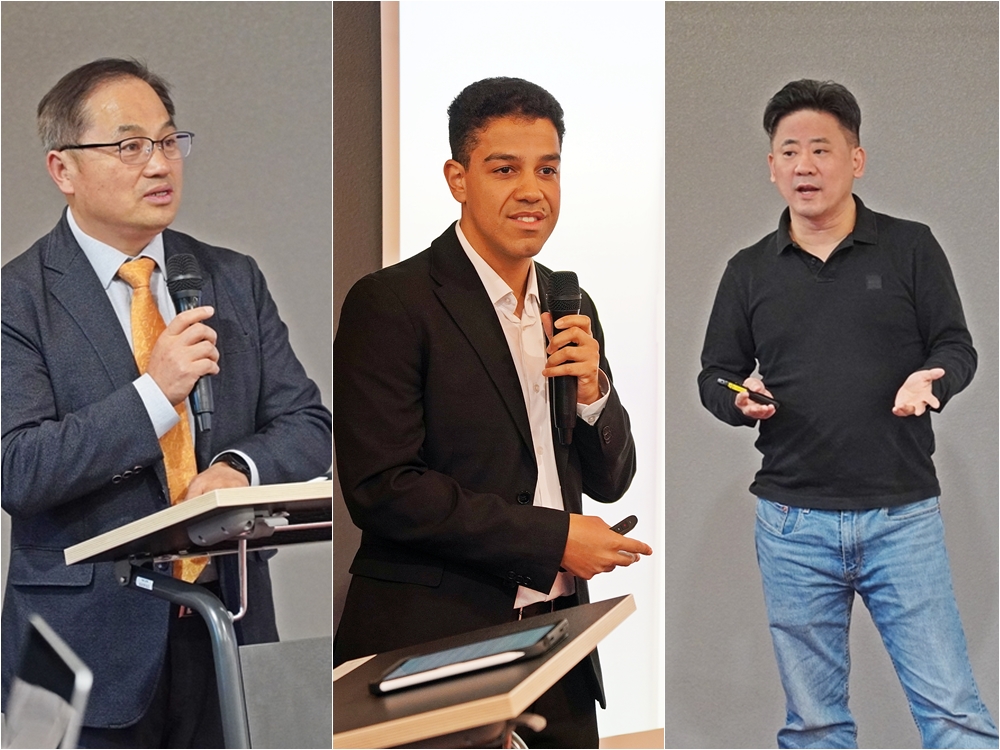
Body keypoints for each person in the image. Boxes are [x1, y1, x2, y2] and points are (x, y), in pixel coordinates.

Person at [0, 58, 331, 747]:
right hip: (81, 648)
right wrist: (153, 394)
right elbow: (18, 468)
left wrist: (238, 468)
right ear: (63, 169)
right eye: (129, 146)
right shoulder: (18, 298)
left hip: (225, 625)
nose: (159, 164)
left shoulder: (229, 276)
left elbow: (307, 424)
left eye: (168, 140)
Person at [332, 77, 651, 748]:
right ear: (458, 178)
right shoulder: (391, 302)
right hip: (434, 647)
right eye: (505, 169)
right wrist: (553, 539)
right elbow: (383, 489)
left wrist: (592, 392)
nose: (532, 191)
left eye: (548, 170)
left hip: (559, 645)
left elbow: (611, 479)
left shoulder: (570, 302)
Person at [698, 78, 998, 749]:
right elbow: (713, 373)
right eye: (789, 152)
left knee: (953, 715)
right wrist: (736, 399)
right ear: (772, 166)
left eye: (821, 149)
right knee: (815, 727)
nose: (804, 165)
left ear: (855, 160)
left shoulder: (910, 247)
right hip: (791, 524)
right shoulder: (748, 270)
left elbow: (956, 346)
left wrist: (934, 379)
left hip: (901, 518)